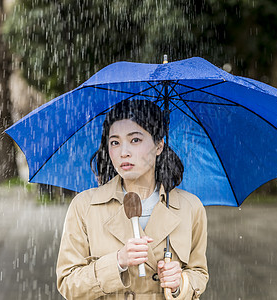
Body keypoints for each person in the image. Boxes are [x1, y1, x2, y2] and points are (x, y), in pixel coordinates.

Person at [56, 100, 208, 299]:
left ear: (159, 145)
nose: (123, 152)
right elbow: (68, 283)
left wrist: (181, 283)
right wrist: (118, 262)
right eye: (115, 142)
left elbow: (199, 273)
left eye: (135, 140)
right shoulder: (84, 206)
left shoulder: (190, 207)